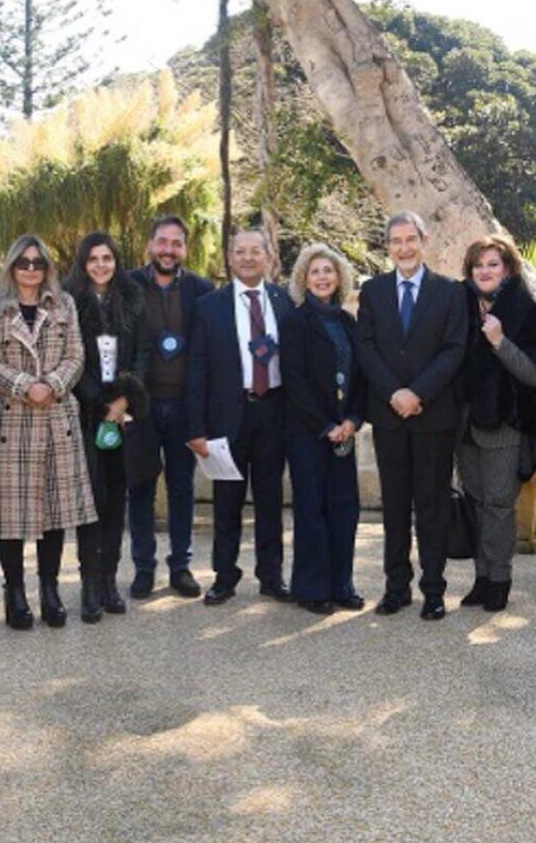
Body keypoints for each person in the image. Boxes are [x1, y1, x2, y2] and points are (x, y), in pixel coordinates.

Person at [0, 235, 96, 630]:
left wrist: (54, 385)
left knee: (54, 511)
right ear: (11, 265)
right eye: (23, 262)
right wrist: (27, 385)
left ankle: (50, 589)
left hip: (56, 417)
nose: (31, 269)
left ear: (47, 267)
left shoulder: (64, 304)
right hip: (12, 420)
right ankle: (14, 594)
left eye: (38, 263)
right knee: (9, 514)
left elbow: (76, 355)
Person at [356, 211, 467, 620]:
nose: (403, 248)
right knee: (395, 507)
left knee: (433, 506)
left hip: (434, 416)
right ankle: (395, 588)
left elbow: (454, 349)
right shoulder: (373, 291)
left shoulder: (450, 292)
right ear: (388, 247)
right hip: (389, 417)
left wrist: (418, 393)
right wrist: (395, 393)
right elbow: (365, 347)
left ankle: (434, 590)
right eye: (395, 241)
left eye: (410, 239)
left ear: (424, 240)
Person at [186, 230, 295, 606]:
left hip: (274, 412)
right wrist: (195, 428)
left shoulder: (284, 301)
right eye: (240, 251)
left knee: (270, 499)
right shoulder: (209, 306)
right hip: (226, 417)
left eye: (255, 251)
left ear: (269, 256)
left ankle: (271, 575)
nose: (248, 258)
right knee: (226, 501)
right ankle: (224, 576)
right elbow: (197, 369)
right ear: (230, 258)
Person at [456, 234, 536, 612]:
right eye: (478, 265)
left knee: (498, 504)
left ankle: (500, 579)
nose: (485, 271)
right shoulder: (459, 304)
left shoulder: (526, 310)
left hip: (505, 424)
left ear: (508, 268)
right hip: (465, 426)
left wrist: (499, 342)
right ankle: (481, 577)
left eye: (493, 264)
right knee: (475, 503)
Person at [64, 233, 150, 622]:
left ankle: (110, 580)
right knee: (91, 504)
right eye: (93, 259)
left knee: (117, 501)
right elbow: (71, 358)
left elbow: (143, 352)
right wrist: (99, 402)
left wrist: (125, 399)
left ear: (117, 260)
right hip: (87, 415)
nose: (101, 265)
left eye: (107, 258)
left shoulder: (133, 299)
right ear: (83, 264)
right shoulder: (70, 303)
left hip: (125, 415)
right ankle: (89, 586)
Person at [126, 216, 214, 599]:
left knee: (182, 488)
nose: (168, 250)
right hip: (140, 406)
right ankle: (143, 568)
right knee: (140, 489)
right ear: (150, 245)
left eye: (176, 244)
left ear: (185, 249)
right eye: (162, 242)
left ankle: (181, 567)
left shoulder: (202, 290)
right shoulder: (127, 286)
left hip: (184, 406)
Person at [280, 243, 366, 615]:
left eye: (328, 271)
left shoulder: (349, 322)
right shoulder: (296, 322)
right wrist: (326, 425)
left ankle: (340, 585)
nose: (322, 278)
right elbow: (295, 380)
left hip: (344, 433)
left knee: (344, 508)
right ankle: (312, 589)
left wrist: (352, 421)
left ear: (339, 277)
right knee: (312, 510)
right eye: (314, 272)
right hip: (308, 433)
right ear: (303, 278)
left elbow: (361, 377)